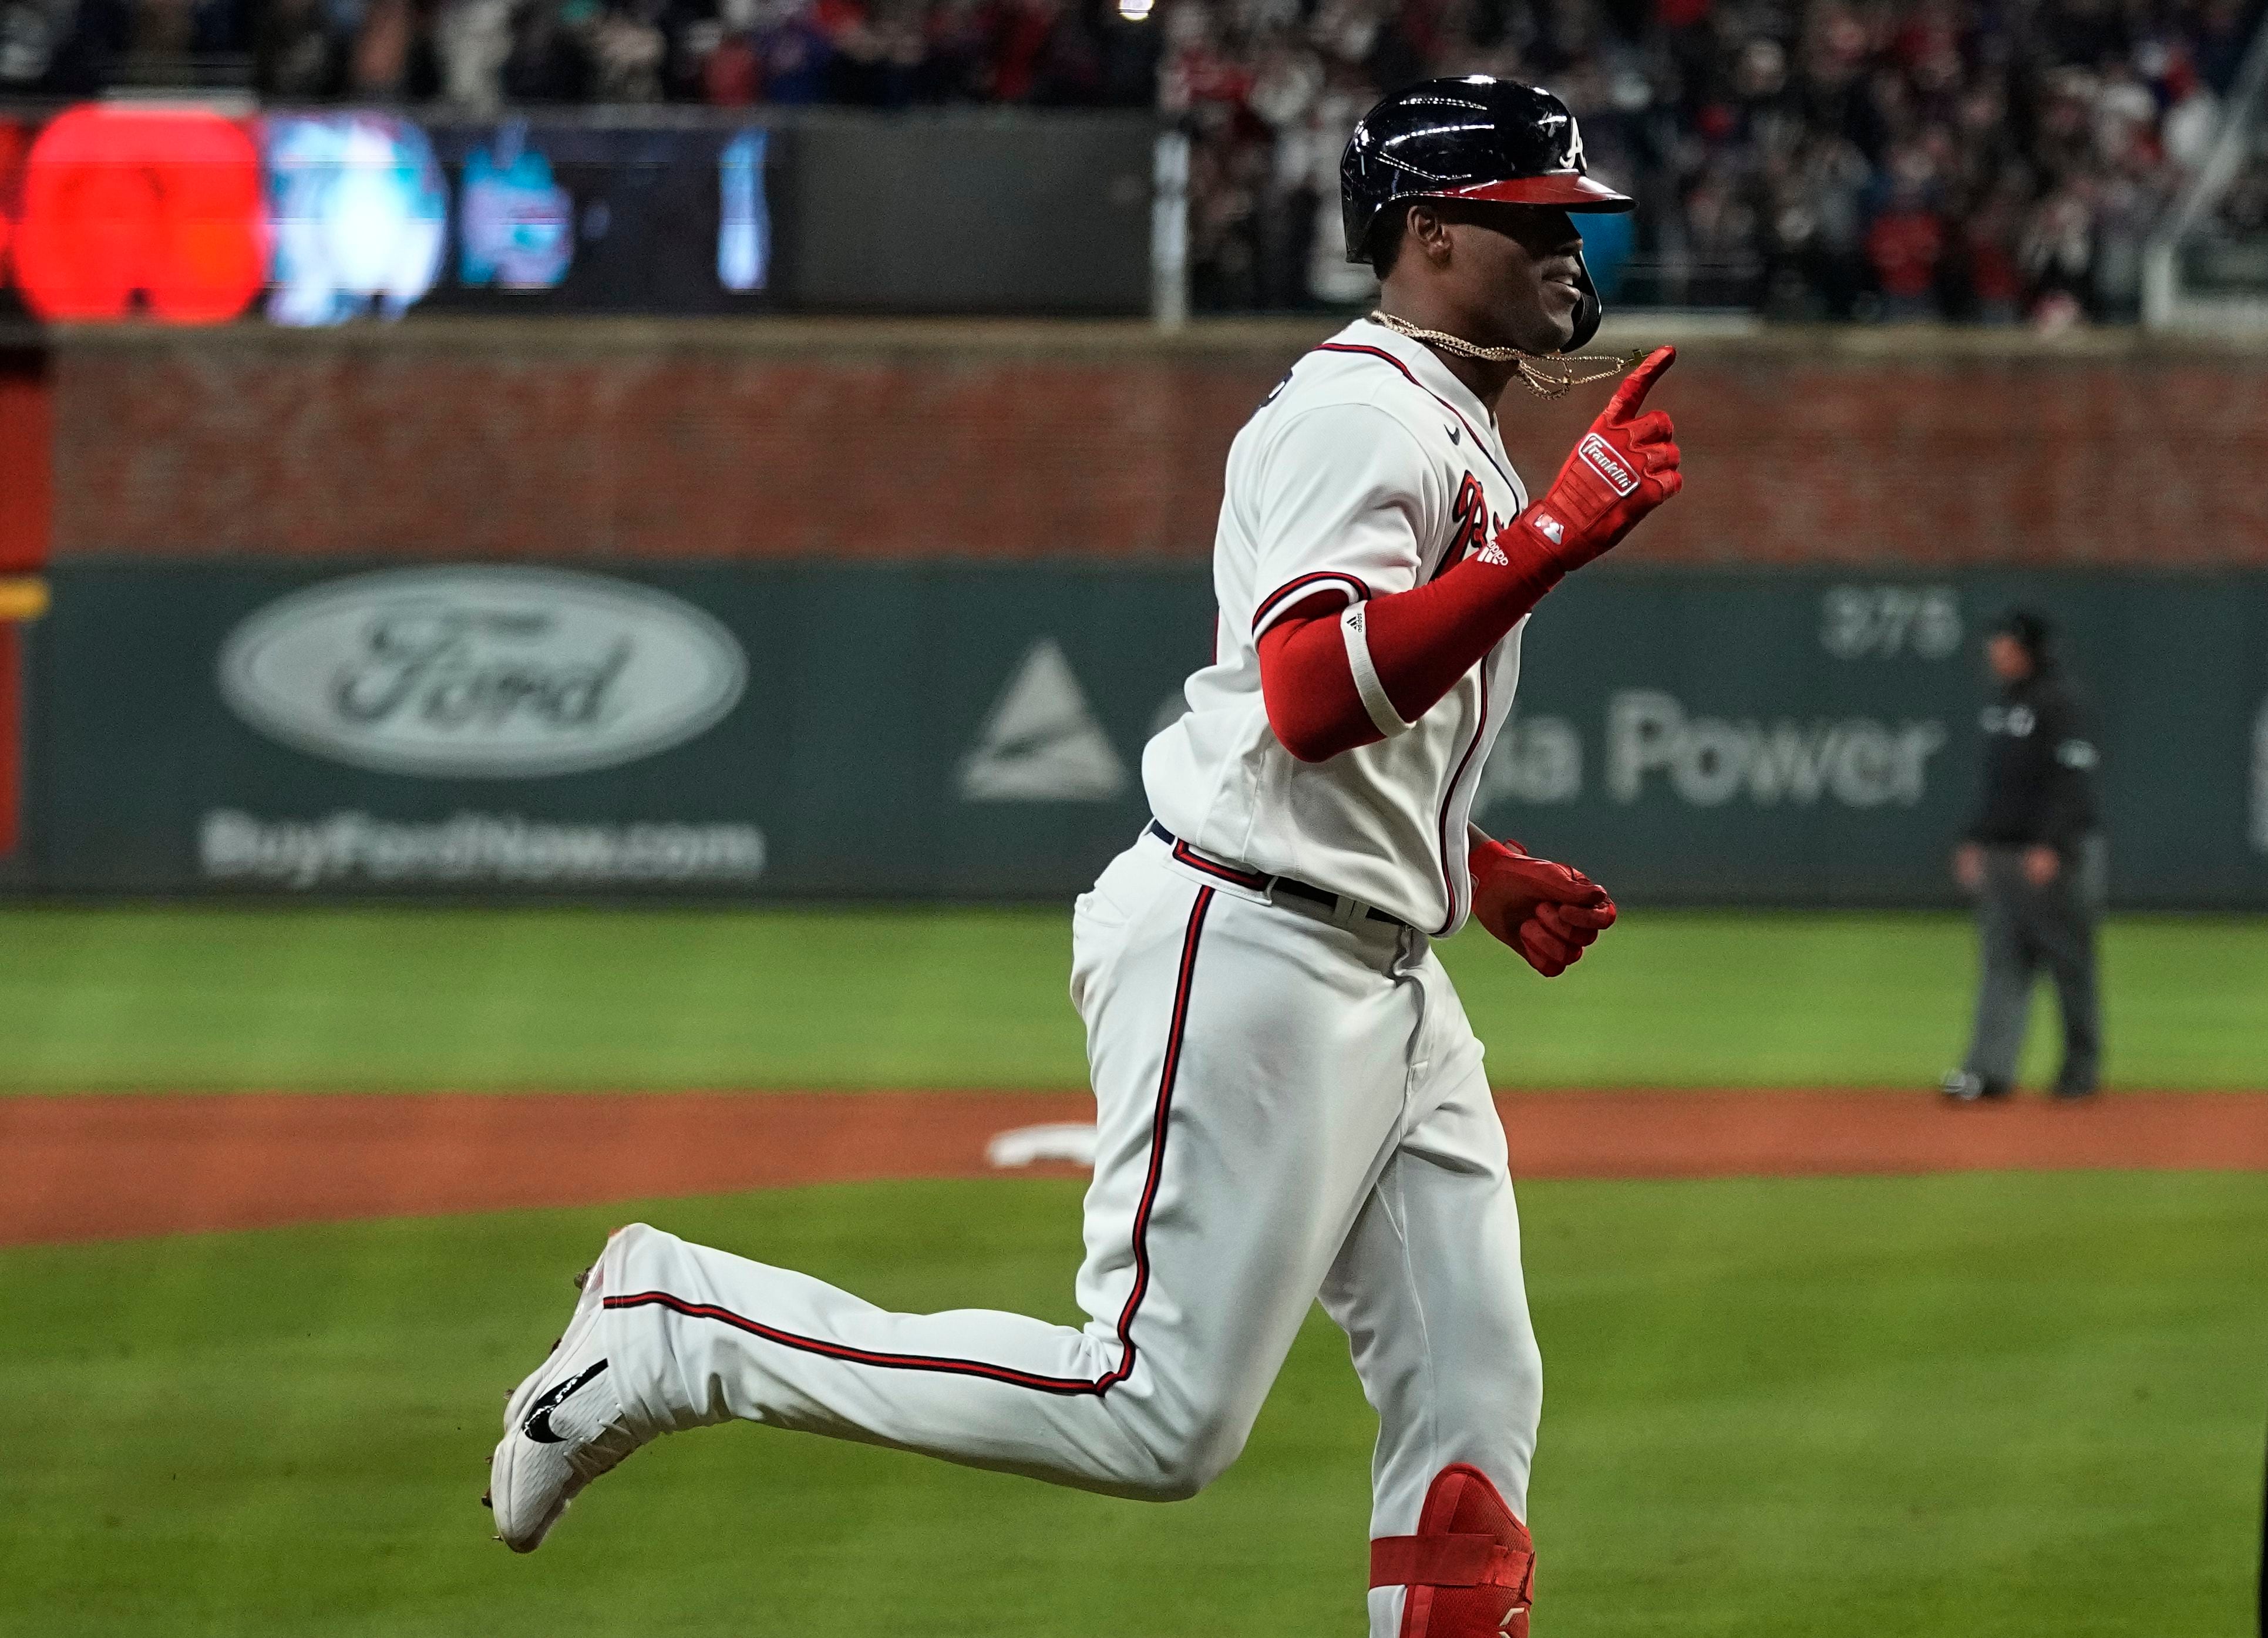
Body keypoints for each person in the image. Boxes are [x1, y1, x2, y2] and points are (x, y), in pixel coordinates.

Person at [482, 77, 1683, 1638]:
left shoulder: (1443, 414)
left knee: (1471, 1398)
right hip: (1248, 953)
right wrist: (1550, 540)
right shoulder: (1352, 415)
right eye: (1536, 221)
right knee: (1155, 1413)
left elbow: (1311, 726)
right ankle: (680, 1324)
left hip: (1376, 963)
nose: (1569, 252)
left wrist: (1472, 864)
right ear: (1431, 233)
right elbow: (1314, 694)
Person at [1943, 608, 2106, 1102]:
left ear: (2030, 650)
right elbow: (1998, 785)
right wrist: (1976, 837)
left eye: (2006, 647)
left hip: (2052, 856)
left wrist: (2053, 843)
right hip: (2003, 853)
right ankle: (1989, 1071)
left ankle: (2080, 1070)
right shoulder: (2003, 703)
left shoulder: (2061, 700)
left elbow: (2075, 780)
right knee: (2002, 963)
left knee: (2069, 965)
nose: (1997, 654)